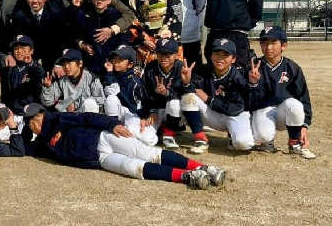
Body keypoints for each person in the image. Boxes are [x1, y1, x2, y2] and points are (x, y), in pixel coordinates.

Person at [22, 103, 225, 190]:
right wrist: (16, 129)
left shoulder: (58, 118)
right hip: (98, 159)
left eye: (37, 119)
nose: (37, 125)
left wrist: (113, 125)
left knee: (148, 153)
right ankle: (187, 177)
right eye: (32, 124)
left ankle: (202, 167)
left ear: (42, 114)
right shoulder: (42, 145)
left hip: (103, 138)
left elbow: (87, 116)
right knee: (133, 168)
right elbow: (22, 148)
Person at [178, 38, 255, 154]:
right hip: (214, 115)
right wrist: (187, 82)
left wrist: (209, 99)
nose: (220, 58)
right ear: (211, 56)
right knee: (188, 97)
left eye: (225, 55)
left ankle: (233, 134)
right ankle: (200, 139)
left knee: (244, 144)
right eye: (217, 54)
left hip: (235, 115)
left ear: (233, 59)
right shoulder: (203, 71)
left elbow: (236, 108)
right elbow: (190, 91)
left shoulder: (239, 76)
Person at [248, 26, 315, 159]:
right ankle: (267, 143)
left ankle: (294, 142)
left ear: (283, 46)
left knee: (294, 105)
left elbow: (303, 97)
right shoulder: (254, 66)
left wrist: (304, 125)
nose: (268, 47)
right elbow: (248, 100)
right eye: (264, 43)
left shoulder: (292, 67)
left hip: (284, 113)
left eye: (273, 42)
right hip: (263, 110)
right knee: (263, 136)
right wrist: (253, 83)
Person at [101, 45, 158, 146]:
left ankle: (153, 130)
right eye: (114, 59)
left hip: (133, 114)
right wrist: (109, 73)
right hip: (117, 113)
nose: (116, 62)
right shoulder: (109, 75)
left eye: (120, 60)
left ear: (130, 64)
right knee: (111, 98)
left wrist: (144, 117)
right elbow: (111, 91)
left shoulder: (135, 81)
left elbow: (145, 101)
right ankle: (113, 127)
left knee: (149, 140)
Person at [11, 0, 70, 72]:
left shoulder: (56, 13)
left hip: (52, 52)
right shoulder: (19, 15)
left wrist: (58, 63)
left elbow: (63, 40)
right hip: (31, 53)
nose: (34, 1)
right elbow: (19, 39)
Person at [141, 38, 189, 150]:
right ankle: (161, 129)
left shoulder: (180, 67)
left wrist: (167, 92)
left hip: (176, 111)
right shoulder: (150, 68)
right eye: (160, 53)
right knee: (146, 140)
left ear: (176, 55)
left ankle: (169, 134)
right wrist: (151, 111)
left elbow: (183, 93)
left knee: (174, 104)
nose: (164, 57)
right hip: (156, 110)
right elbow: (145, 93)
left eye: (168, 54)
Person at [41, 48, 104, 114]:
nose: (66, 67)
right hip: (70, 118)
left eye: (69, 63)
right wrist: (47, 87)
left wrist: (74, 104)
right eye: (64, 64)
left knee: (89, 103)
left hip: (88, 118)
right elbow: (48, 102)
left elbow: (101, 100)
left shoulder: (91, 78)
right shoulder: (62, 81)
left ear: (80, 64)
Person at [4, 35, 45, 115]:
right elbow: (7, 93)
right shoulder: (11, 69)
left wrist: (30, 64)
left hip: (31, 112)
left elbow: (39, 73)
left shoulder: (34, 67)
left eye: (23, 48)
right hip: (14, 112)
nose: (19, 51)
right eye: (16, 48)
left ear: (31, 51)